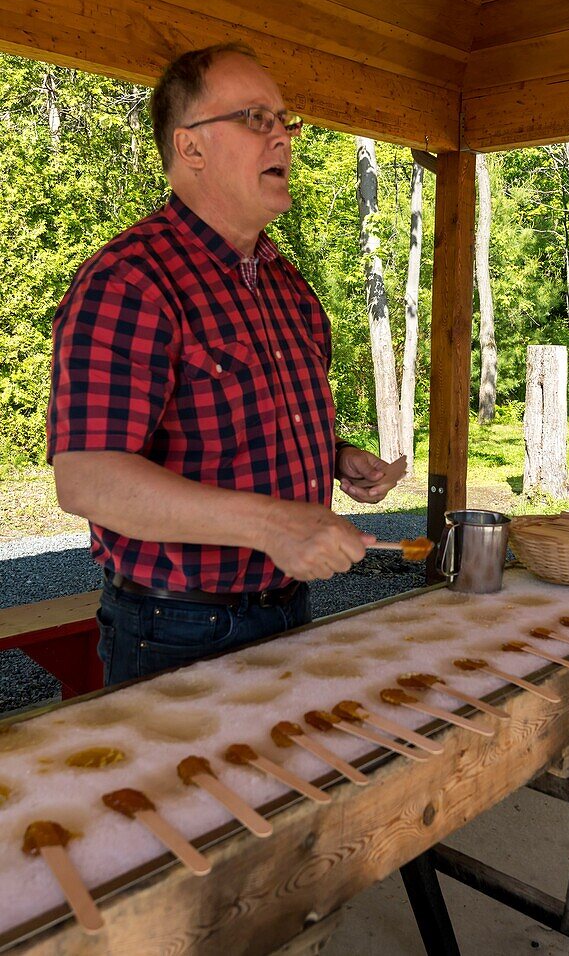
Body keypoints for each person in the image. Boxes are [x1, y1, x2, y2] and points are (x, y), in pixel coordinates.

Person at [47, 42, 401, 685]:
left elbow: (238, 425)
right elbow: (88, 478)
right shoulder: (130, 282)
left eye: (285, 122)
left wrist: (336, 455)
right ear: (190, 148)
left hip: (287, 609)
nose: (284, 140)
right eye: (256, 119)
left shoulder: (285, 285)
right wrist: (274, 525)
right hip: (175, 630)